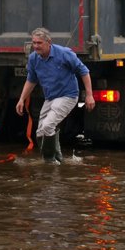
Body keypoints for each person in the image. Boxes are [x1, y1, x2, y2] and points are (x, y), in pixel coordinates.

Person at [15, 27, 95, 163]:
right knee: (39, 132)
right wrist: (21, 99)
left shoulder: (64, 54)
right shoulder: (34, 58)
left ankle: (50, 162)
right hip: (50, 97)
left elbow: (84, 71)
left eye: (39, 43)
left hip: (68, 95)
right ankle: (58, 158)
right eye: (34, 43)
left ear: (48, 42)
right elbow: (31, 80)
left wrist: (89, 95)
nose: (35, 46)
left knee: (47, 126)